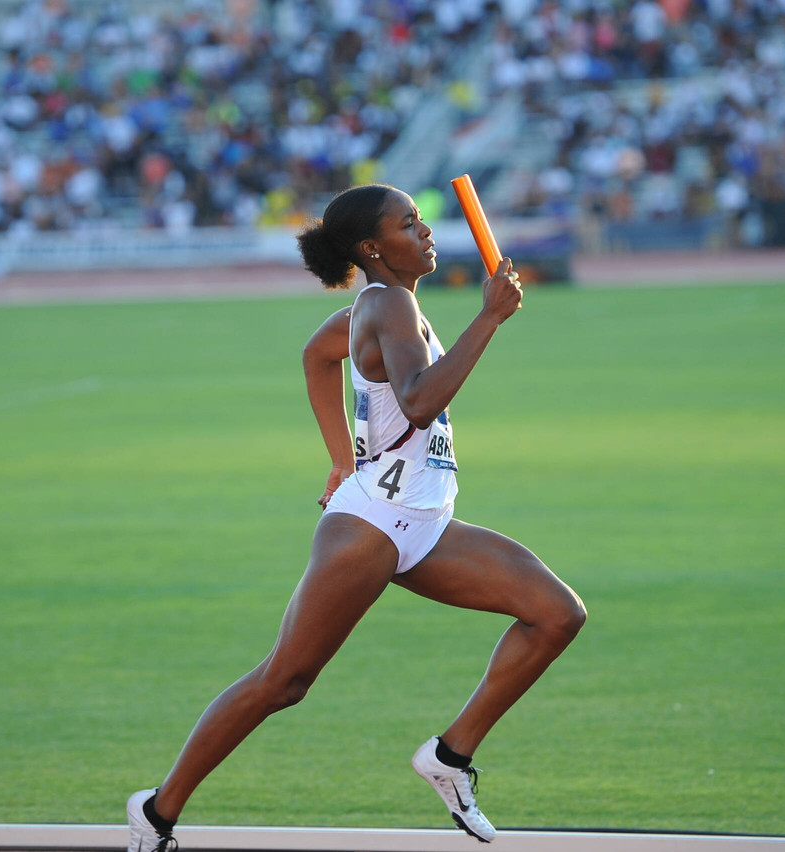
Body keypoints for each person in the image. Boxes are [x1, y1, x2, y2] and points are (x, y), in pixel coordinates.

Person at [127, 184, 586, 852]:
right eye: (409, 224)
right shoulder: (390, 305)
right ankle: (158, 811)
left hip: (423, 523)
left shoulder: (377, 306)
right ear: (373, 248)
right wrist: (487, 320)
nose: (426, 231)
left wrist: (341, 458)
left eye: (423, 220)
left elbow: (316, 356)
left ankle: (449, 759)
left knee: (556, 614)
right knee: (283, 682)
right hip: (370, 527)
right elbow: (421, 401)